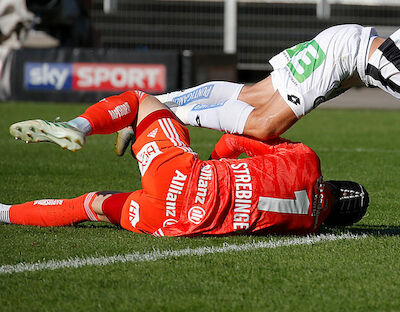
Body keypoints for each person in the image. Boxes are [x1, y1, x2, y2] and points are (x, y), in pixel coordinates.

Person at [9, 17, 400, 224]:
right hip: (346, 55)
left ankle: (155, 107)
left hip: (351, 52)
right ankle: (154, 111)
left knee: (253, 102)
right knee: (259, 129)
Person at [3, 91, 369, 236]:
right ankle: (3, 213)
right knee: (91, 204)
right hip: (176, 218)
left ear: (335, 183)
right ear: (333, 219)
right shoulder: (306, 228)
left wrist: (210, 164)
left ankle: (80, 125)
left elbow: (233, 140)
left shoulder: (306, 160)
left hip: (183, 175)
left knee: (142, 100)